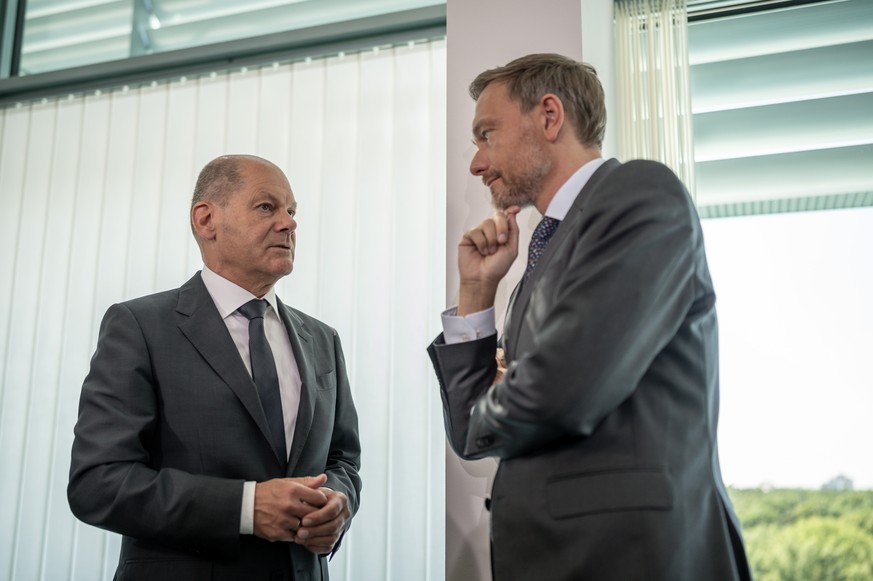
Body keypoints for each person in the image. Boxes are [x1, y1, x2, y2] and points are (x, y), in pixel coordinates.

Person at [427, 54, 752, 580]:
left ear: (550, 116)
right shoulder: (544, 249)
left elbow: (559, 390)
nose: (476, 163)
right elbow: (473, 432)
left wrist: (515, 390)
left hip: (632, 558)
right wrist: (476, 290)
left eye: (487, 134)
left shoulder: (639, 193)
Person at [69, 154, 361, 581]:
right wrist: (246, 508)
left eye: (292, 211)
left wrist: (336, 504)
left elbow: (343, 460)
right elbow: (98, 483)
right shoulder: (140, 326)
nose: (289, 223)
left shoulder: (323, 339)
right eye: (267, 207)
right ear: (207, 220)